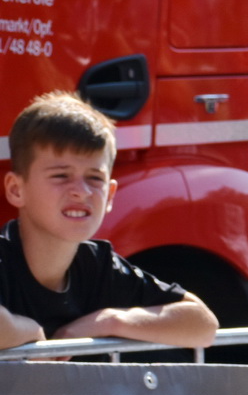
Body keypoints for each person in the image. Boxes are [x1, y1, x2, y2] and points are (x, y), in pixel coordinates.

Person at [0, 92, 217, 351]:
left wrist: (110, 320)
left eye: (95, 178)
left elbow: (203, 324)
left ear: (110, 195)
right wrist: (28, 332)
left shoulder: (99, 265)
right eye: (60, 175)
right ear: (15, 189)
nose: (81, 191)